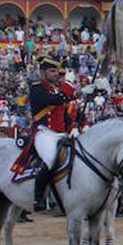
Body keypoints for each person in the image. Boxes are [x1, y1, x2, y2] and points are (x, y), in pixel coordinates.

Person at [28, 56, 80, 211]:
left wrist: (72, 128)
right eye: (52, 71)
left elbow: (64, 114)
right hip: (45, 133)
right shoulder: (36, 89)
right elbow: (56, 100)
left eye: (56, 71)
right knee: (50, 159)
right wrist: (76, 93)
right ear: (42, 72)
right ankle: (38, 198)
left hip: (60, 133)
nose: (56, 74)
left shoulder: (56, 90)